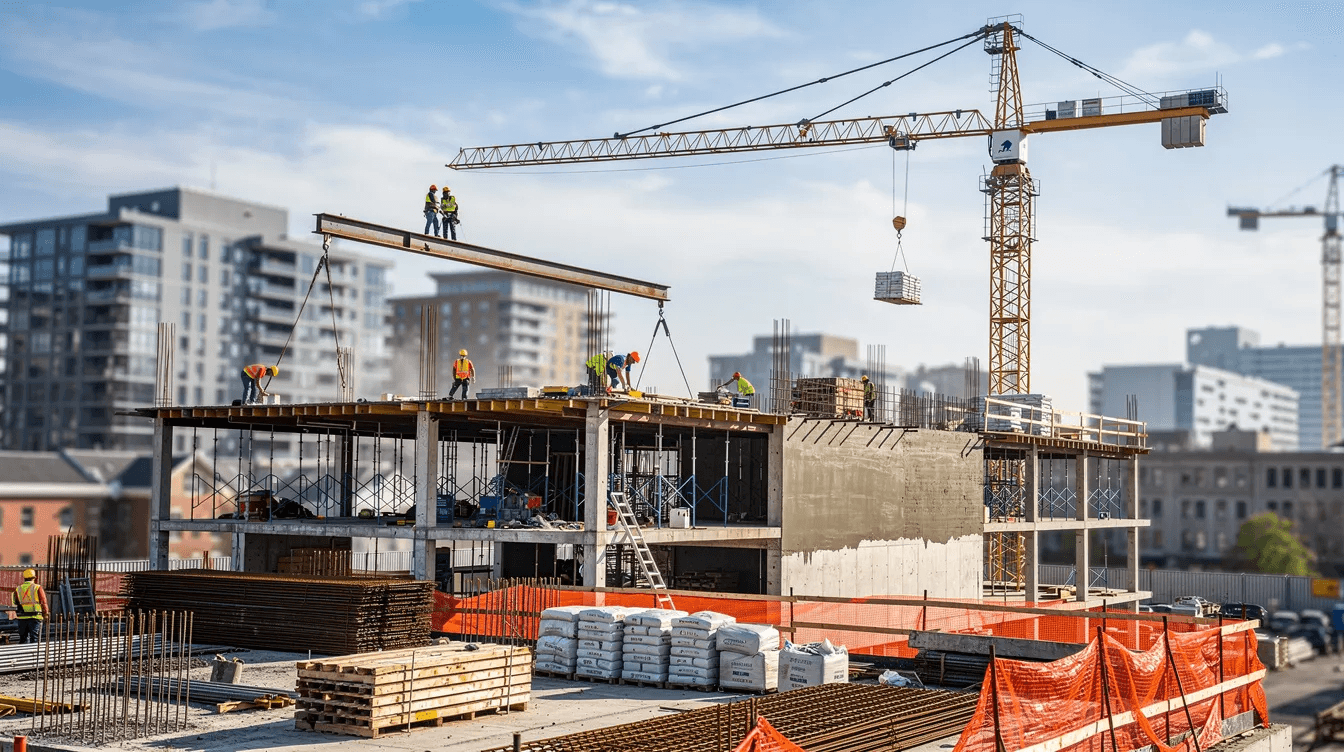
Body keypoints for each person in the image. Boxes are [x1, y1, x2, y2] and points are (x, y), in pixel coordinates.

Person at [9, 569, 49, 644]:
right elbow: (43, 601)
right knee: (34, 639)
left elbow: (16, 601)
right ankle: (34, 655)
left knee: (23, 638)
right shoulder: (37, 587)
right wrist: (46, 613)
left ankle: (22, 654)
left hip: (22, 617)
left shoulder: (18, 588)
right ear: (34, 578)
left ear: (24, 578)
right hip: (35, 616)